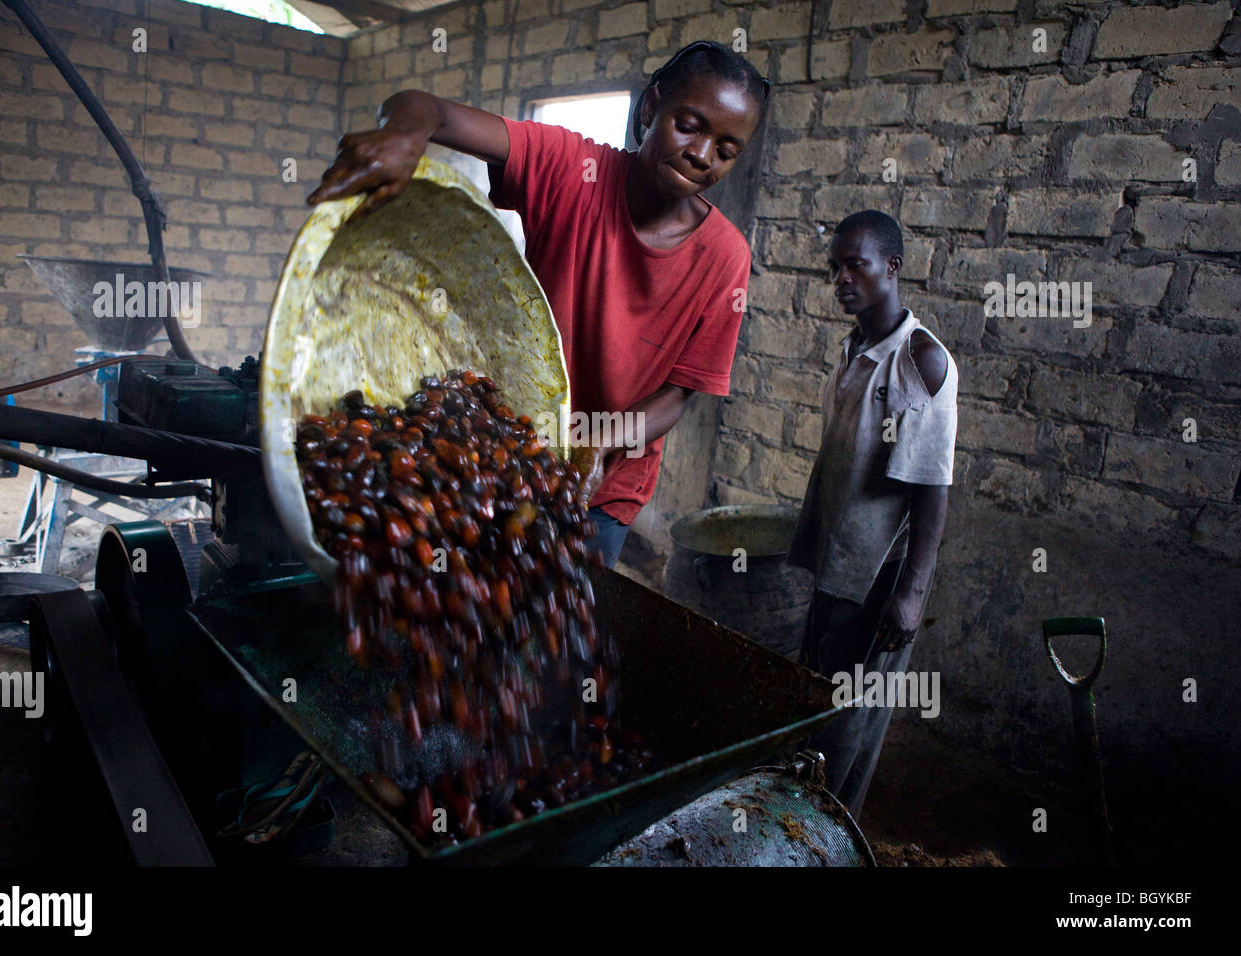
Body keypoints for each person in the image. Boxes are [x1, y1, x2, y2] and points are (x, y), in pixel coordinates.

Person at [308, 42, 769, 568]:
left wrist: (597, 443)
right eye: (688, 125)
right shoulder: (574, 169)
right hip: (508, 453)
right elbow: (423, 106)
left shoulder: (725, 255)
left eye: (727, 150)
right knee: (464, 592)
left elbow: (679, 395)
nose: (702, 155)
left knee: (558, 616)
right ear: (651, 108)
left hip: (605, 486)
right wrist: (401, 138)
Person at [787, 209, 958, 819]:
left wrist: (911, 594)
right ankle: (796, 828)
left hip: (877, 575)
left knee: (848, 722)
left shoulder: (921, 360)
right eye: (835, 267)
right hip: (837, 561)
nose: (841, 278)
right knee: (818, 698)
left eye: (855, 265)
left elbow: (932, 488)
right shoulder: (856, 344)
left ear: (892, 266)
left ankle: (830, 840)